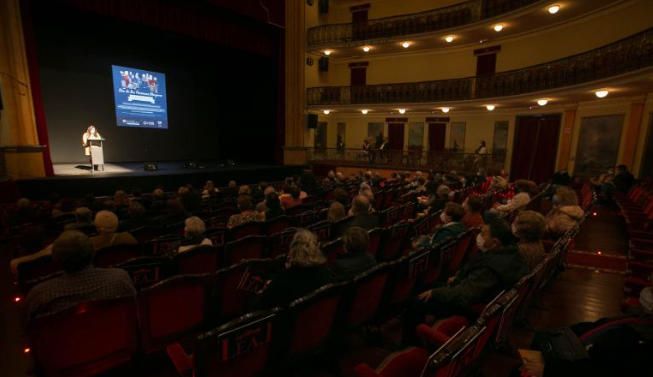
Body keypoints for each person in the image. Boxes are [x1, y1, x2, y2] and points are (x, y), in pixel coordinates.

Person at [403, 220, 528, 343]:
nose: (480, 236)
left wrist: (436, 292)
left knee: (417, 301)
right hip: (478, 293)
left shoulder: (490, 268)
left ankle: (412, 342)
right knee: (426, 286)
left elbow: (466, 294)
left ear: (495, 243)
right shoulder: (512, 253)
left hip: (471, 305)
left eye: (483, 233)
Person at [25, 230, 136, 320]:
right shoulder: (119, 278)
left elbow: (31, 330)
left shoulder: (40, 295)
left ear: (56, 260)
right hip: (117, 339)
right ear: (93, 253)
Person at [255, 230, 332, 308]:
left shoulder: (283, 279)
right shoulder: (326, 272)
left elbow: (261, 305)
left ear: (292, 250)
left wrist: (264, 290)